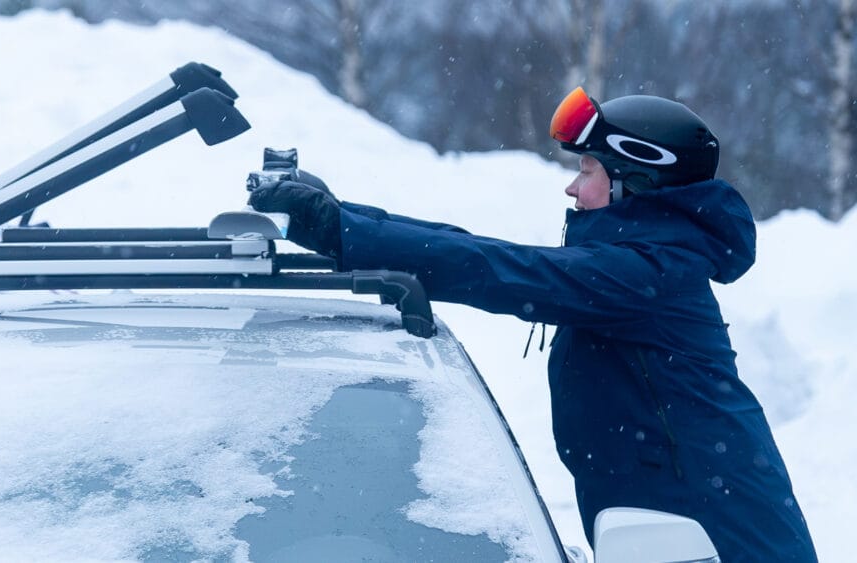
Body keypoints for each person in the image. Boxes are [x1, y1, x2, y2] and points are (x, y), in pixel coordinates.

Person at [248, 87, 818, 561]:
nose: (572, 187)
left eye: (588, 169)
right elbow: (481, 249)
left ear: (633, 183)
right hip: (667, 537)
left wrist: (343, 232)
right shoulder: (644, 263)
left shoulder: (649, 275)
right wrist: (349, 220)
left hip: (717, 542)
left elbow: (500, 270)